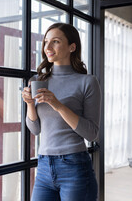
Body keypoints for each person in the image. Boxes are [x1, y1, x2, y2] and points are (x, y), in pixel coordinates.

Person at [21, 23, 101, 201]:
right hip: (43, 165)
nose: (47, 47)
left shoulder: (87, 82)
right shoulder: (37, 80)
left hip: (75, 167)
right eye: (46, 42)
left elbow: (92, 133)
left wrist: (57, 104)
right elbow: (35, 129)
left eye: (55, 42)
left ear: (72, 47)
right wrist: (29, 104)